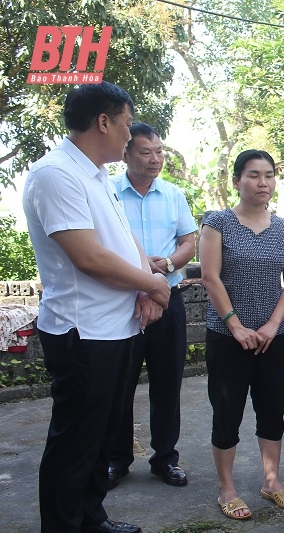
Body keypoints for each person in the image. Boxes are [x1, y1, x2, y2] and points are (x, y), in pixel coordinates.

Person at [23, 81, 170, 533]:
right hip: (83, 331)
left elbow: (122, 242)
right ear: (103, 122)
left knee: (102, 437)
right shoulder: (56, 174)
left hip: (117, 326)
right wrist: (154, 284)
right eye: (127, 124)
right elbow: (87, 257)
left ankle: (91, 517)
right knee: (75, 442)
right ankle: (64, 526)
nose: (130, 134)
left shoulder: (96, 175)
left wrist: (144, 287)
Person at [199, 149, 284, 520]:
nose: (263, 183)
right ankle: (226, 488)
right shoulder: (217, 223)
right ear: (237, 180)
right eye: (254, 175)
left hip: (272, 338)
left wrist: (273, 324)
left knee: (272, 409)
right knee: (227, 412)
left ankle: (271, 481)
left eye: (269, 175)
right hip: (227, 338)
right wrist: (235, 325)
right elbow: (210, 277)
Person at [109, 122, 197, 489]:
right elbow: (102, 245)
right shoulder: (108, 192)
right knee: (120, 384)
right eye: (145, 152)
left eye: (159, 151)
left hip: (168, 301)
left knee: (167, 382)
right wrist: (141, 274)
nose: (155, 159)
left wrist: (168, 265)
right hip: (124, 302)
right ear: (126, 154)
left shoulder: (173, 194)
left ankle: (165, 458)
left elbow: (189, 243)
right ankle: (117, 459)